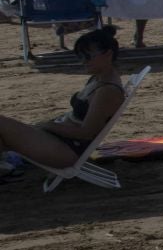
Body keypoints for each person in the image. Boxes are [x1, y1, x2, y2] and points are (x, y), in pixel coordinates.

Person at [0, 25, 127, 177]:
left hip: (66, 150)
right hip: (61, 140)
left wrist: (50, 126)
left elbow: (86, 133)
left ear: (108, 54)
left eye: (87, 57)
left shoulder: (107, 91)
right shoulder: (99, 78)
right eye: (80, 56)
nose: (83, 62)